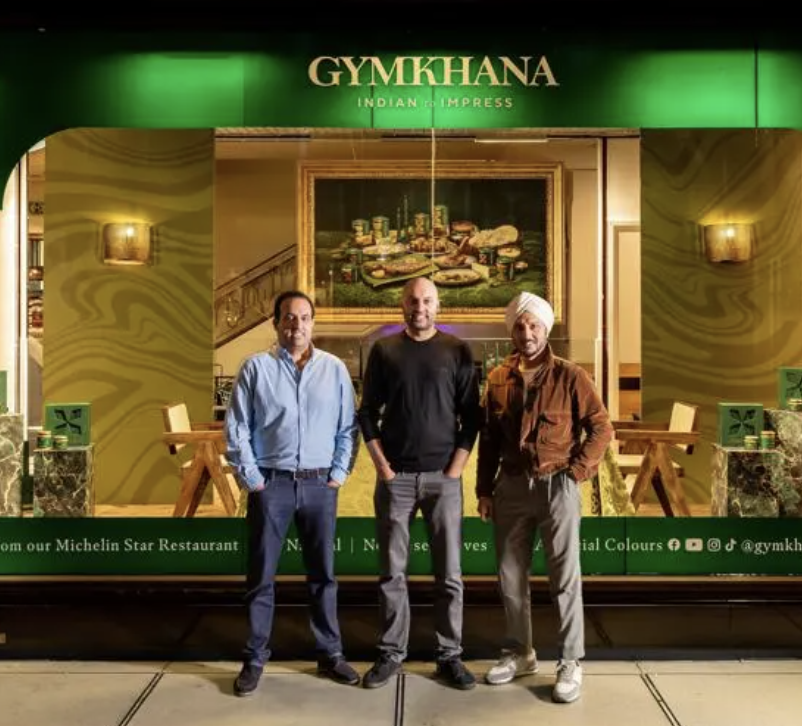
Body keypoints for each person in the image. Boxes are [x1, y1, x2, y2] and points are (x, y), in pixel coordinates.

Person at [476, 292, 614, 704]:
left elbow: (601, 428)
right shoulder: (499, 378)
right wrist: (484, 490)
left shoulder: (572, 376)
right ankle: (520, 652)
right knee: (510, 576)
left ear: (546, 329)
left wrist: (575, 474)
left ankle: (570, 661)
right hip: (512, 487)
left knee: (564, 579)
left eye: (534, 325)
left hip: (558, 486)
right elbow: (488, 439)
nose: (527, 332)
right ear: (512, 331)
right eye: (519, 326)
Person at [225, 290, 360, 696]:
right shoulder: (255, 369)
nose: (296, 326)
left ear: (313, 323)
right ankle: (255, 656)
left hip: (321, 485)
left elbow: (347, 427)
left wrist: (338, 473)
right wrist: (255, 481)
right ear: (275, 323)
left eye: (303, 318)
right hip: (273, 484)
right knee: (262, 576)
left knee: (323, 576)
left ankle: (330, 653)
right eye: (288, 318)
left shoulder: (334, 369)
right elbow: (237, 429)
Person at [358, 277, 482, 691]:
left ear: (438, 304)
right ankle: (392, 653)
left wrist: (454, 471)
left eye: (427, 300)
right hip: (396, 480)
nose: (420, 306)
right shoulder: (384, 350)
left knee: (449, 574)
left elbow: (472, 417)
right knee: (392, 573)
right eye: (413, 300)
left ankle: (450, 656)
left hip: (442, 480)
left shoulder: (458, 351)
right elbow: (367, 413)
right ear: (402, 304)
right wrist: (383, 468)